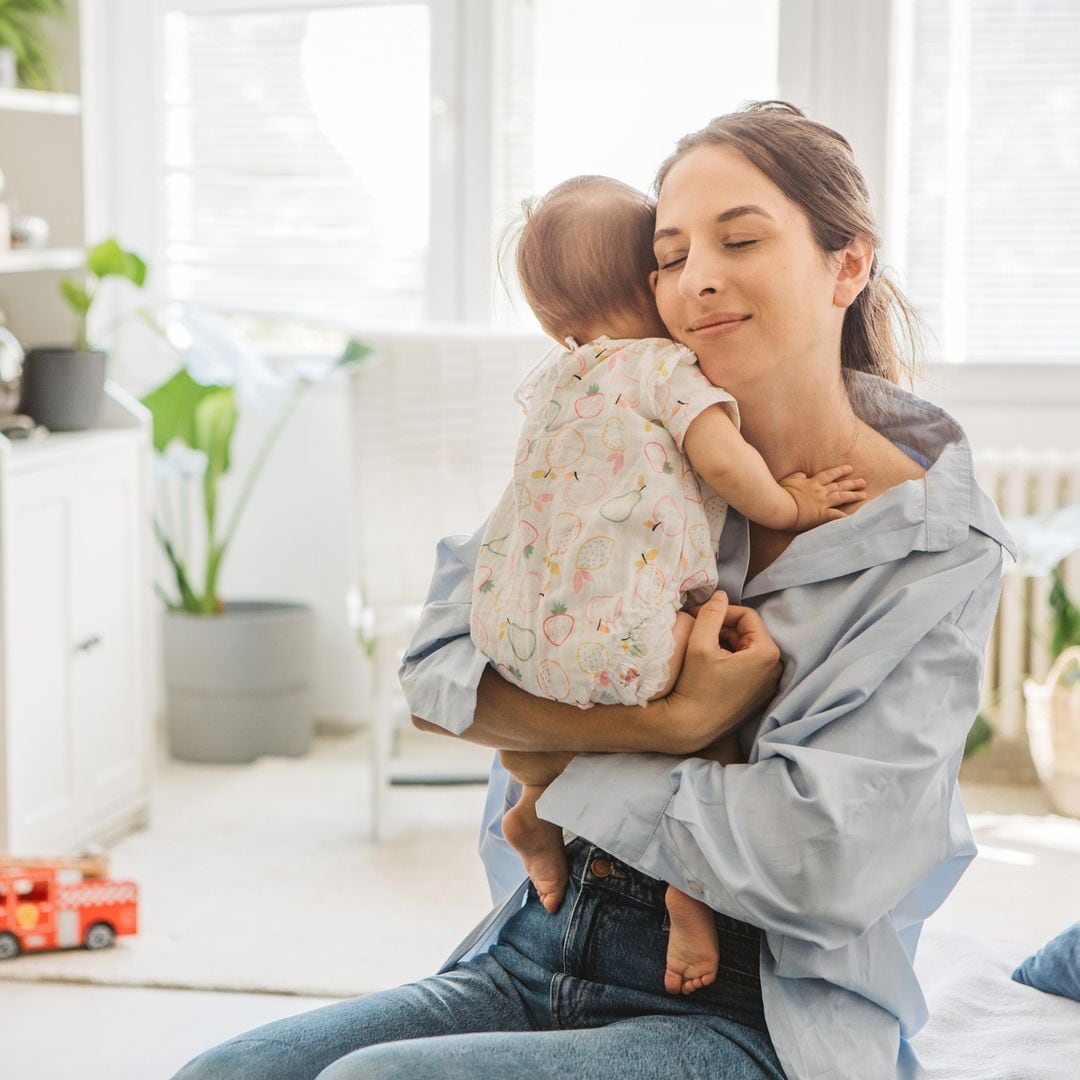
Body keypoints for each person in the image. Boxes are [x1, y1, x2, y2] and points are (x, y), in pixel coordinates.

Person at [172, 101, 1013, 1080]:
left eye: (741, 238)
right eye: (666, 254)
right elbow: (439, 666)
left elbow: (816, 861)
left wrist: (564, 757)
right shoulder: (623, 437)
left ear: (847, 265)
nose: (697, 277)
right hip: (534, 950)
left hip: (757, 1014)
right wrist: (671, 726)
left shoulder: (932, 544)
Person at [479, 173, 866, 996]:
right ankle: (688, 893)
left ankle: (530, 808)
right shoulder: (666, 369)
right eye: (668, 258)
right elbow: (725, 461)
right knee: (712, 737)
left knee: (537, 736)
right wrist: (792, 502)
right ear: (646, 286)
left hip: (521, 632)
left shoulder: (552, 381)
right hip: (634, 628)